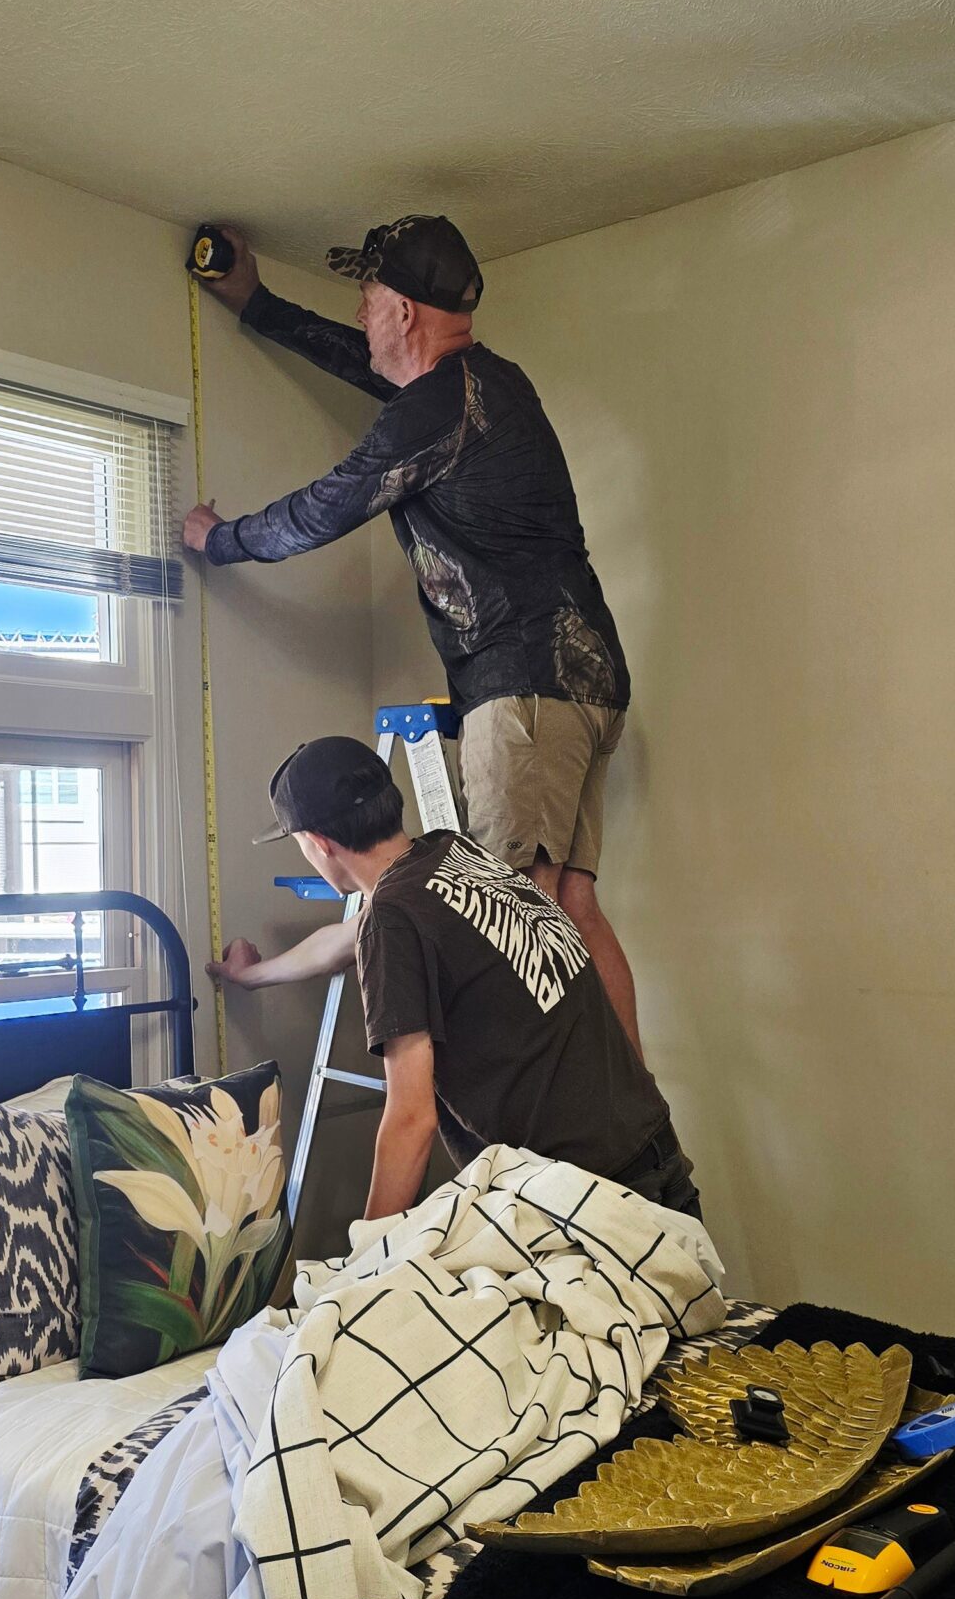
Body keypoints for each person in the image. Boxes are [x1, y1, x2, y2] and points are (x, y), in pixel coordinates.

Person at [183, 213, 644, 1054]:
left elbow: (326, 507)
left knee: (517, 920)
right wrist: (257, 304)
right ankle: (630, 1097)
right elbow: (356, 359)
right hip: (586, 677)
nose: (359, 313)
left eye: (367, 298)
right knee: (571, 904)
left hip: (522, 686)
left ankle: (558, 1122)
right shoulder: (488, 385)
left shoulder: (436, 408)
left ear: (403, 310)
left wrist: (222, 540)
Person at [214, 735, 699, 1226]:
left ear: (319, 843)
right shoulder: (452, 854)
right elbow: (346, 938)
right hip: (653, 1148)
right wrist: (251, 975)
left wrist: (367, 1256)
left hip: (592, 1199)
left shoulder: (393, 917)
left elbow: (411, 1121)